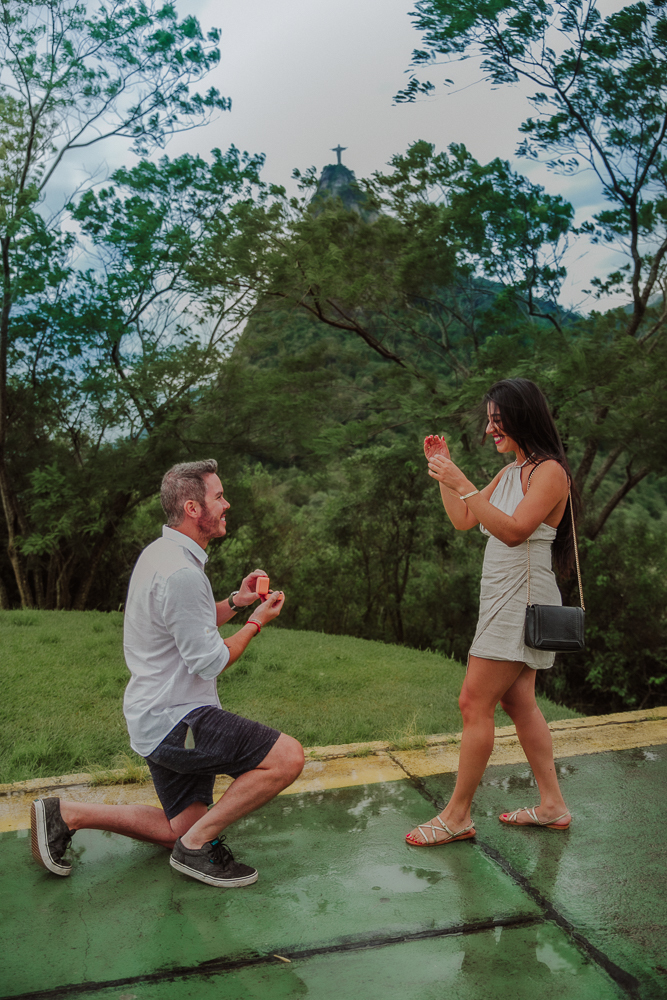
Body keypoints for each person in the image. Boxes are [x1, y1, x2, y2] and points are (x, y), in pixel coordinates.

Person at [30, 459, 304, 887]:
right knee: (287, 758)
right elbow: (210, 659)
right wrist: (257, 624)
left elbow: (192, 624)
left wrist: (238, 602)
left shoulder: (163, 554)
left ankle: (67, 814)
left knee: (181, 829)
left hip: (155, 716)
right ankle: (196, 850)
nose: (226, 503)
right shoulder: (180, 572)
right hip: (180, 719)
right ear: (193, 508)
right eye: (218, 497)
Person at [406, 379, 574, 846]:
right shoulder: (507, 474)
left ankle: (457, 815)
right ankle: (552, 804)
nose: (488, 429)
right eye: (489, 421)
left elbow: (516, 530)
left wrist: (462, 482)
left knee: (473, 702)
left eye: (496, 421)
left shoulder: (549, 473)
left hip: (521, 597)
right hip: (500, 595)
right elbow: (465, 519)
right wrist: (446, 474)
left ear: (522, 418)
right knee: (519, 702)